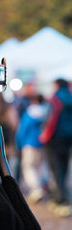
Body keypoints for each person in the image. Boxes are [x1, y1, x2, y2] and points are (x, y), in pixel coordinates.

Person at [39, 79, 72, 217]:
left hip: (53, 138)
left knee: (55, 168)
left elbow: (47, 117)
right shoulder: (70, 97)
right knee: (64, 168)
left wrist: (44, 132)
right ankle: (63, 195)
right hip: (68, 138)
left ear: (57, 85)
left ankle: (60, 200)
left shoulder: (55, 99)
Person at [15, 94, 49, 203]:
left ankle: (36, 189)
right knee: (40, 167)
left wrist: (19, 144)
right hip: (43, 144)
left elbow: (22, 130)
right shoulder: (47, 112)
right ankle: (43, 187)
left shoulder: (29, 113)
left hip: (29, 144)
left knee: (29, 167)